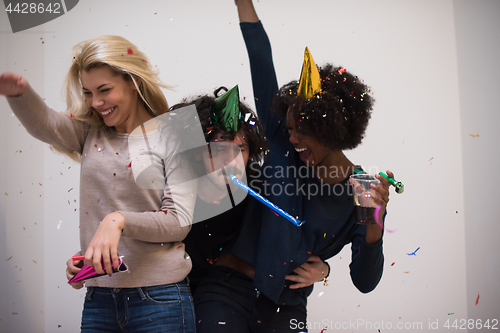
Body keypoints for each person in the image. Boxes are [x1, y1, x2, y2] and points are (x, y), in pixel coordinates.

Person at [193, 1, 395, 332]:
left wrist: (375, 221)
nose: (293, 136)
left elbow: (365, 281)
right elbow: (260, 58)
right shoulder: (283, 144)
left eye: (303, 128)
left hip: (286, 305)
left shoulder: (362, 190)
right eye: (289, 127)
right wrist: (244, 3)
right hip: (228, 289)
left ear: (334, 128)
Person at [1, 35, 196, 333]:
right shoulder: (91, 133)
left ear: (133, 81)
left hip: (160, 300)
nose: (96, 102)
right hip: (99, 299)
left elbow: (179, 221)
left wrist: (117, 221)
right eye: (88, 92)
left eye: (104, 90)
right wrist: (19, 94)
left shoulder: (177, 134)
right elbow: (47, 125)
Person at [169, 86, 268, 295]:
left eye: (240, 150)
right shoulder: (174, 186)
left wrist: (322, 268)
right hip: (174, 293)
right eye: (219, 149)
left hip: (229, 294)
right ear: (198, 152)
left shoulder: (259, 186)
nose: (231, 161)